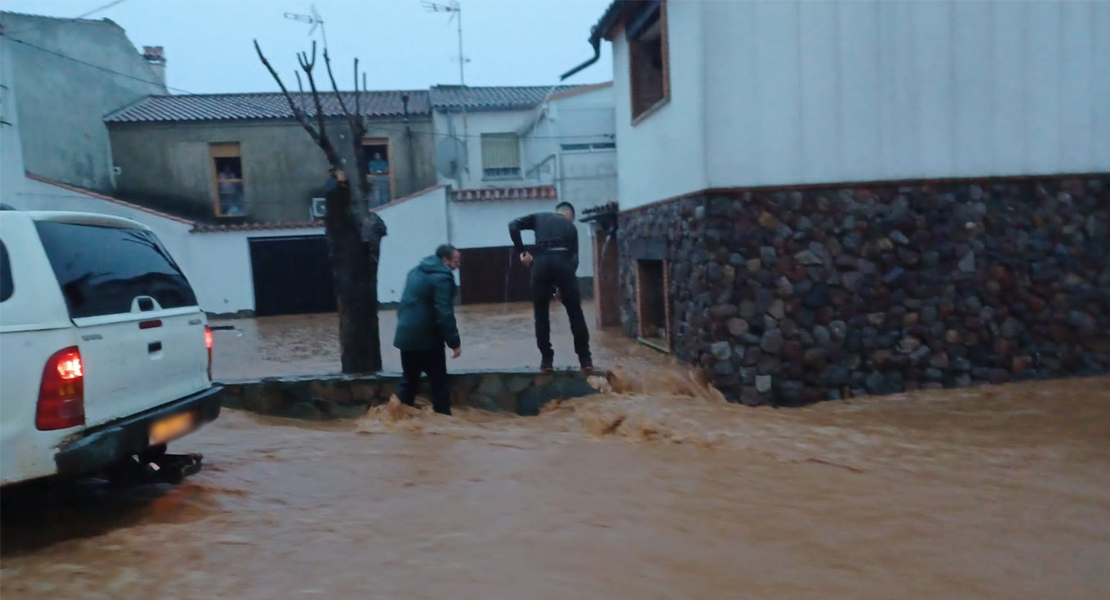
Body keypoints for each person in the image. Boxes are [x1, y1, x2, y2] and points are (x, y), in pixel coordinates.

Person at [509, 202, 593, 372]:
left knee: (541, 315)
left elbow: (513, 225)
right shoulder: (571, 227)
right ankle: (585, 360)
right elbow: (573, 260)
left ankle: (546, 360)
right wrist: (562, 289)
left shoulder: (539, 217)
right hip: (564, 264)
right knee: (575, 313)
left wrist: (522, 252)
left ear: (557, 212)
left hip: (540, 265)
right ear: (571, 216)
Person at [393, 244, 463, 415]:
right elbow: (444, 312)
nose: (456, 267)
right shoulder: (442, 278)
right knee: (438, 382)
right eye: (456, 263)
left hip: (405, 335)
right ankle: (443, 421)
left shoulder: (415, 272)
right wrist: (454, 343)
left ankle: (399, 419)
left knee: (409, 381)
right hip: (427, 339)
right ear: (445, 260)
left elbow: (404, 304)